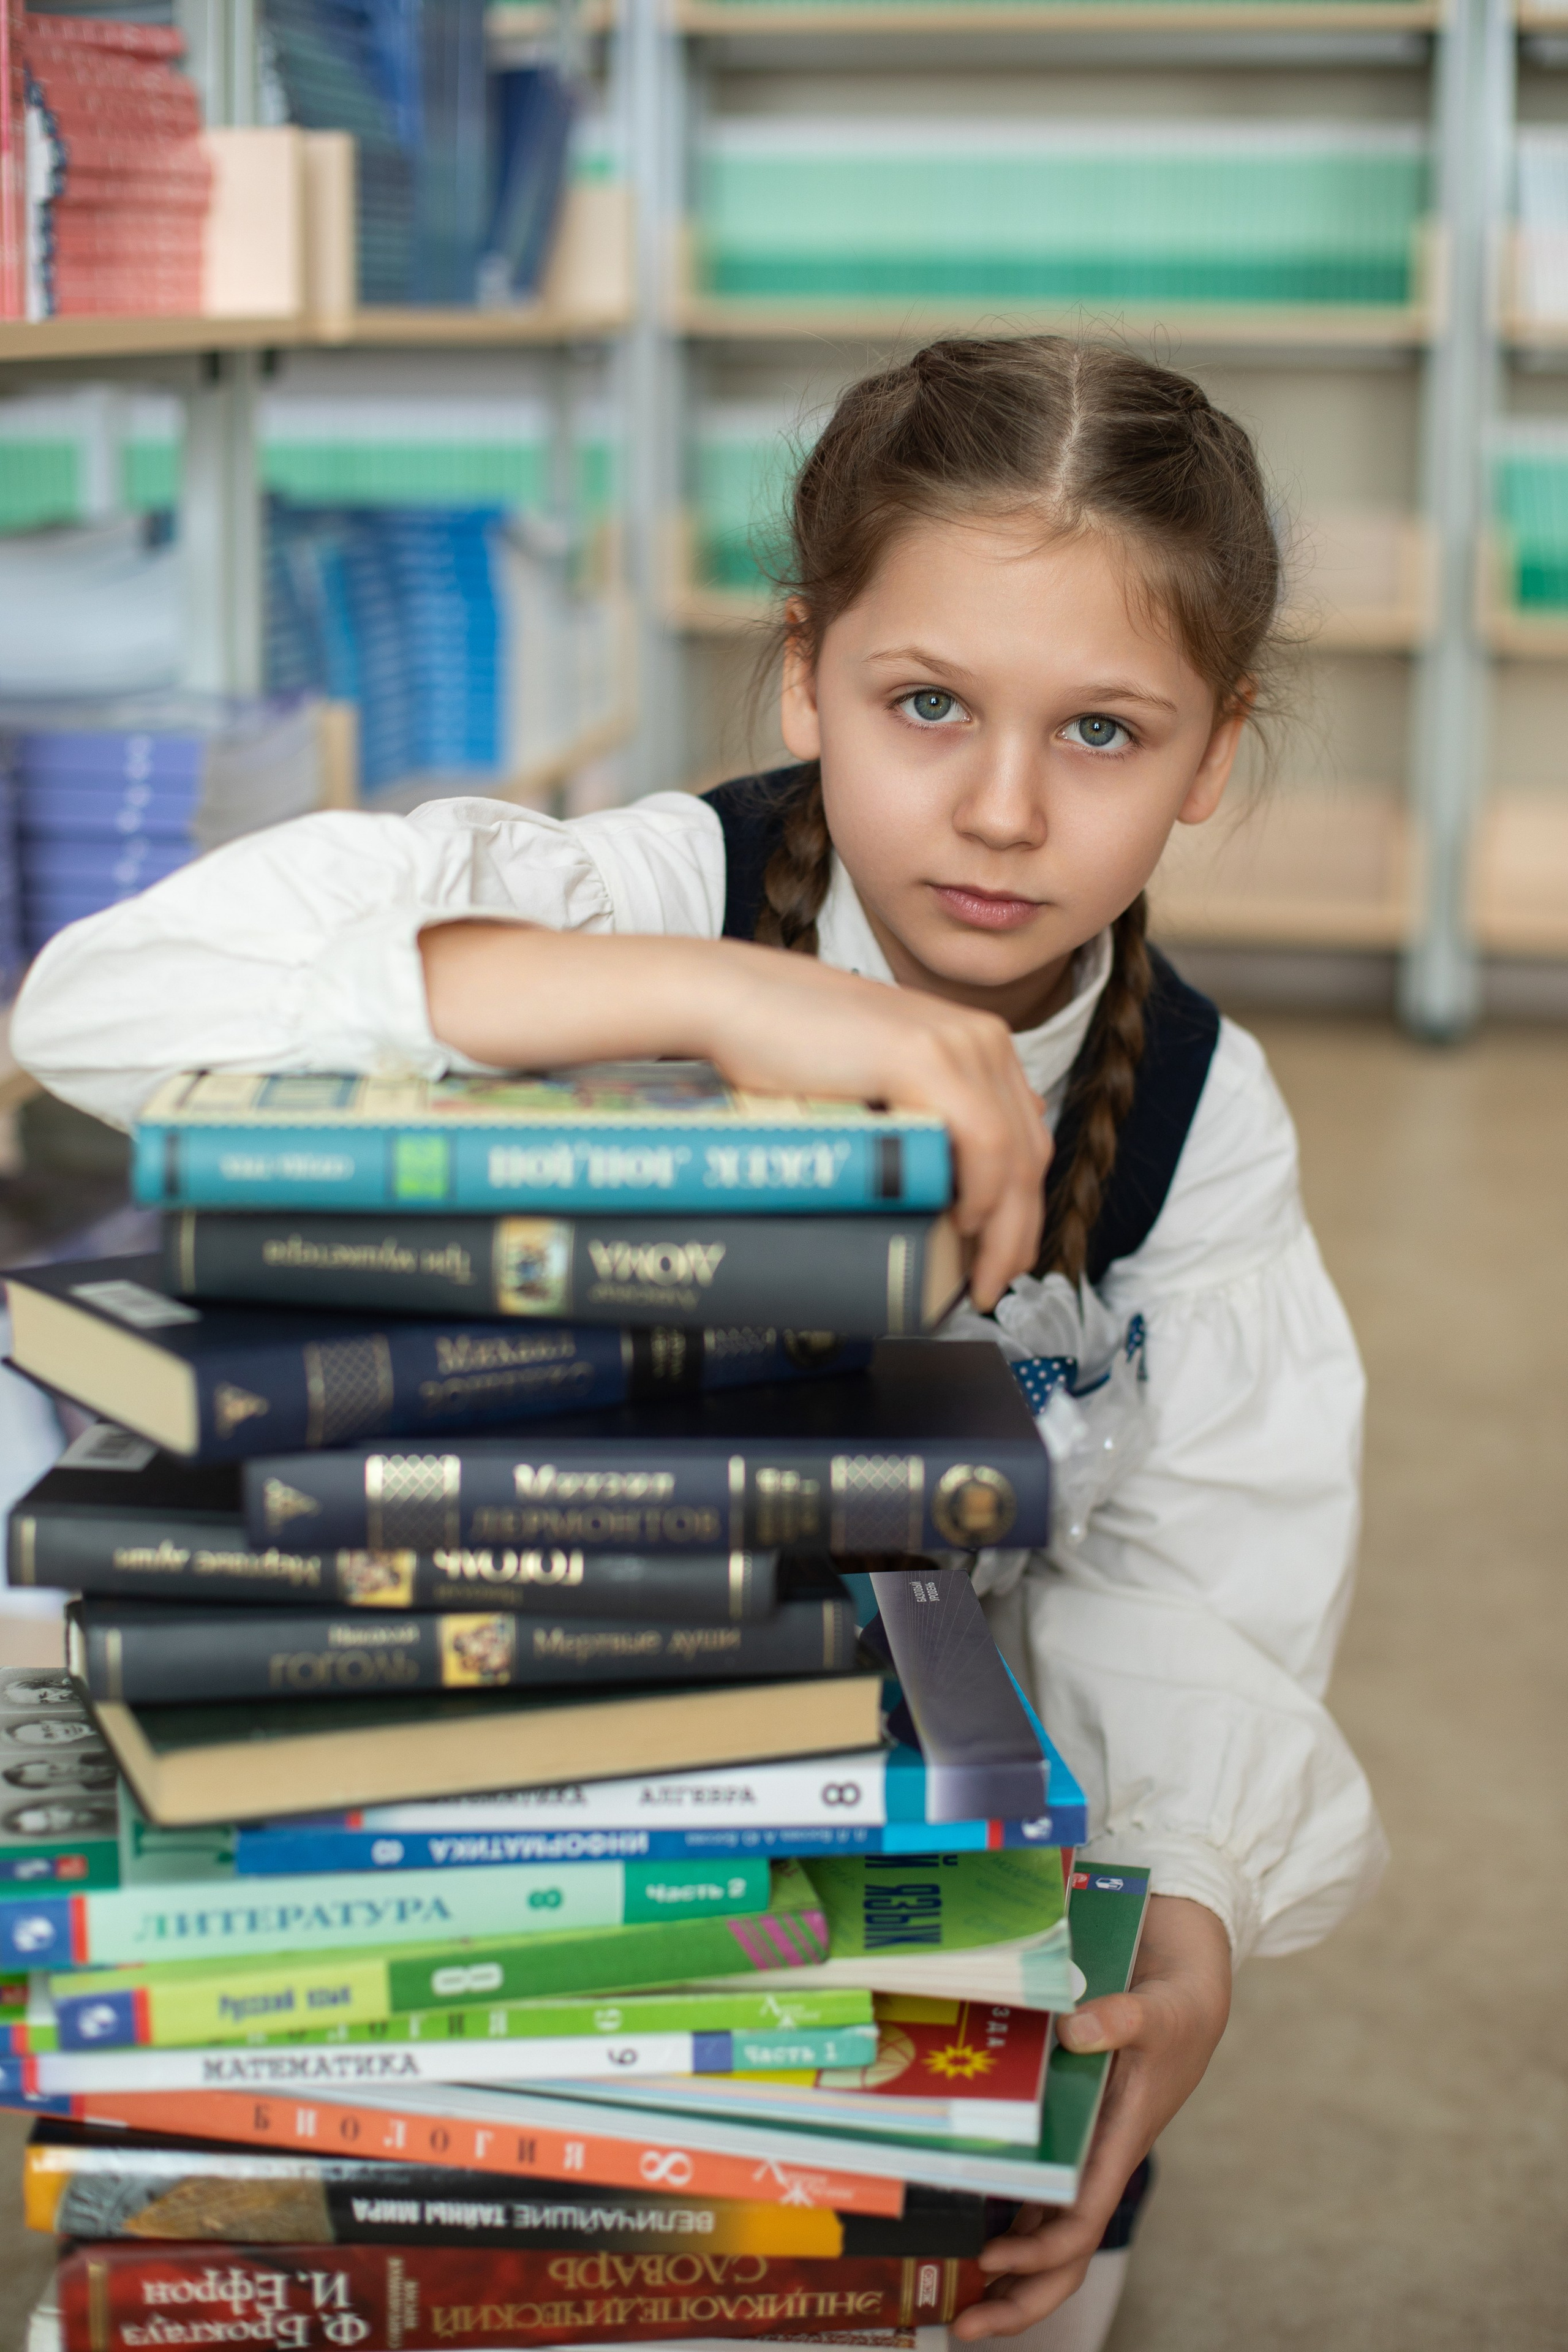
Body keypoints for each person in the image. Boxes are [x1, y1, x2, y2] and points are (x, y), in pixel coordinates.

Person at [10, 336, 1386, 2350]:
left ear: (1214, 754)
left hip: (880, 1878)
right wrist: (720, 1002)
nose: (1000, 811)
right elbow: (98, 1008)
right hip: (459, 1801)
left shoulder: (1198, 1104)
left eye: (1103, 732)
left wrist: (1185, 1924)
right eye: (926, 705)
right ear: (803, 674)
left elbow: (1203, 1571)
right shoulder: (660, 892)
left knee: (962, 2284)